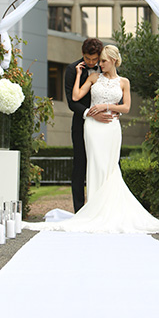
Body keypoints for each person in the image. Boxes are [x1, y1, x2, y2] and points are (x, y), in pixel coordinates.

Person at [25, 46, 159, 234]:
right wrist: (78, 75)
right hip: (92, 127)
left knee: (111, 167)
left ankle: (111, 211)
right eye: (100, 60)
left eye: (103, 61)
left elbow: (126, 107)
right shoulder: (93, 77)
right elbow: (75, 97)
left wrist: (106, 106)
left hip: (112, 127)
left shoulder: (124, 82)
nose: (100, 64)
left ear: (114, 60)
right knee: (95, 165)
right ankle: (94, 210)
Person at [64, 37, 106, 212]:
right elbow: (71, 102)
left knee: (104, 164)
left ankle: (103, 207)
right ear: (82, 54)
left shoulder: (106, 68)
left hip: (104, 125)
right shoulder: (71, 70)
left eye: (94, 59)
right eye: (87, 59)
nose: (90, 62)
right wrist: (91, 113)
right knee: (80, 166)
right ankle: (80, 210)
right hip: (81, 124)